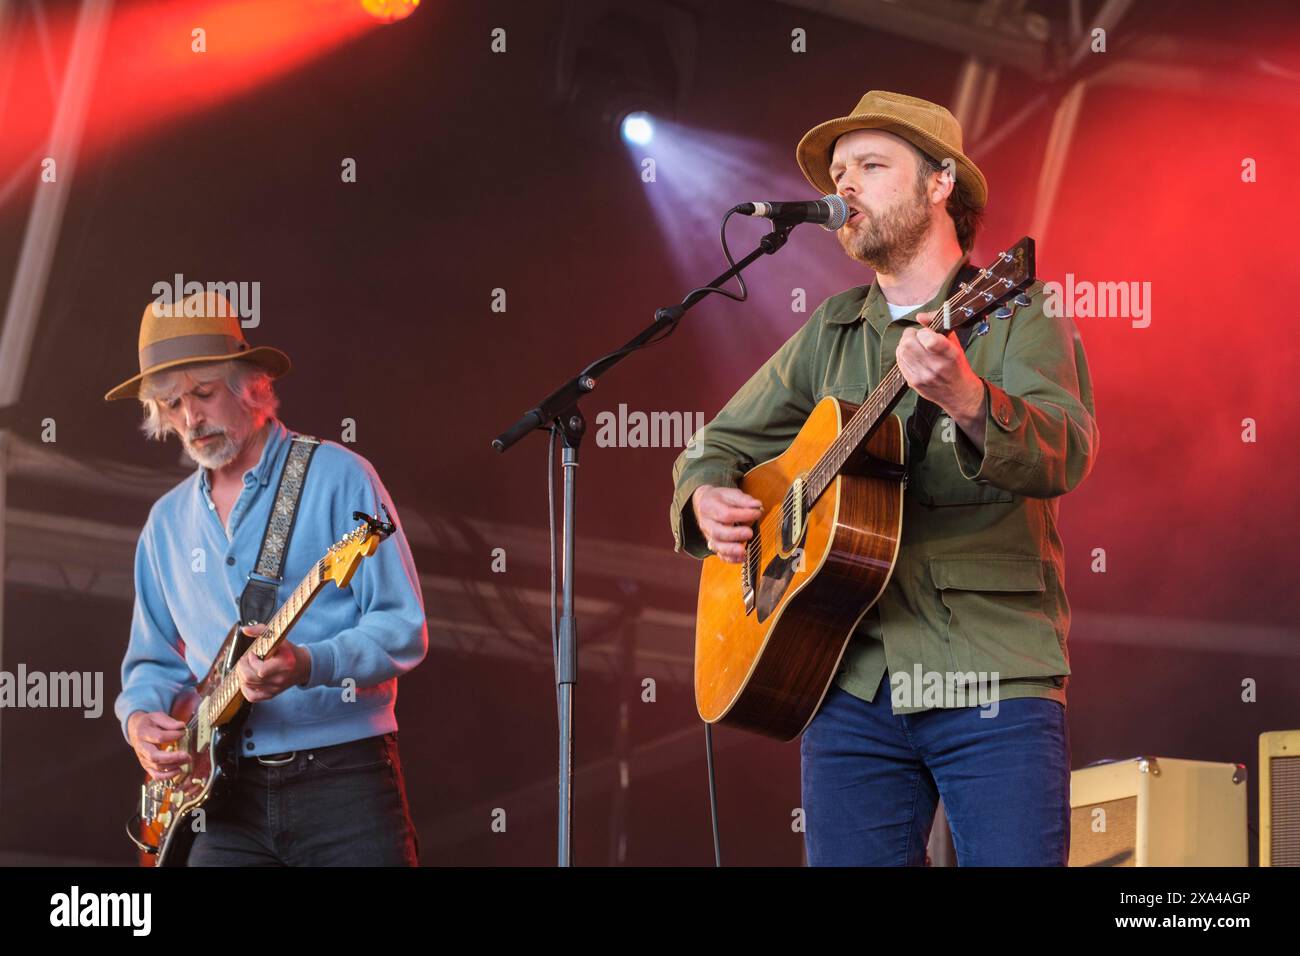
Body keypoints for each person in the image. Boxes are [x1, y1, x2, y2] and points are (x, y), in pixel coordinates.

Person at [669, 91, 1099, 866]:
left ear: (941, 183)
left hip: (989, 669)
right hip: (851, 680)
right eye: (840, 173)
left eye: (871, 166)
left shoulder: (1018, 308)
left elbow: (1064, 452)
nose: (846, 190)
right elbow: (715, 446)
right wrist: (703, 495)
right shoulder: (830, 328)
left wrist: (970, 400)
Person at [107, 290, 428, 866]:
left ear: (250, 383)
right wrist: (140, 721)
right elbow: (151, 662)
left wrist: (309, 664)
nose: (190, 418)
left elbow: (402, 628)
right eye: (172, 404)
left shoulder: (338, 475)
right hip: (220, 804)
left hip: (344, 779)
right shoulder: (165, 524)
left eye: (203, 393)